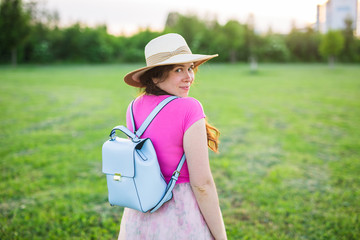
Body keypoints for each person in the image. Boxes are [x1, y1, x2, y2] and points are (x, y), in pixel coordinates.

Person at [118, 33, 227, 240]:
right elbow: (202, 184)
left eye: (190, 68)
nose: (189, 77)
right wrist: (221, 236)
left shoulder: (133, 107)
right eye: (179, 70)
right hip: (180, 217)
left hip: (139, 217)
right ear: (156, 76)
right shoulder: (189, 108)